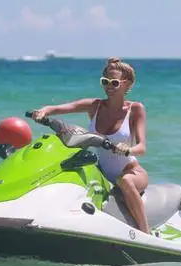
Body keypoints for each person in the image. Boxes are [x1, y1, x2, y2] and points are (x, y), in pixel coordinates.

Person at [32, 57, 150, 234]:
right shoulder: (95, 106)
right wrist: (44, 111)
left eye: (114, 83)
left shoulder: (135, 109)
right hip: (101, 174)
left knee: (124, 181)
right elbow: (62, 107)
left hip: (131, 172)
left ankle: (145, 233)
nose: (109, 86)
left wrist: (127, 149)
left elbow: (142, 148)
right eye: (105, 82)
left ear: (127, 84)